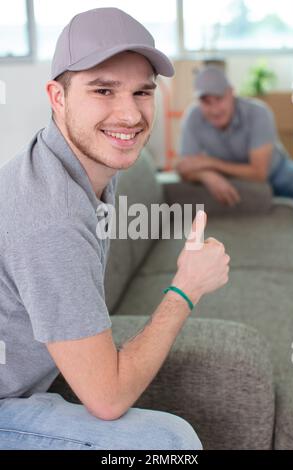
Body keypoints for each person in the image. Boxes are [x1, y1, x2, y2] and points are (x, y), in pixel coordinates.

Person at [0, 8, 229, 450]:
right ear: (57, 96)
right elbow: (107, 399)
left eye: (143, 92)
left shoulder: (83, 162)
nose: (129, 115)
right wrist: (186, 287)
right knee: (168, 443)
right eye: (103, 90)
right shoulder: (50, 217)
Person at [177, 65, 293, 208]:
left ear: (231, 93)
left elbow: (259, 173)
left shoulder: (258, 112)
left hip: (277, 171)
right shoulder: (193, 117)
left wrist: (210, 162)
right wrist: (207, 176)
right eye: (206, 102)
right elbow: (183, 167)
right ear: (198, 101)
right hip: (233, 179)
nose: (215, 109)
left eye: (219, 98)